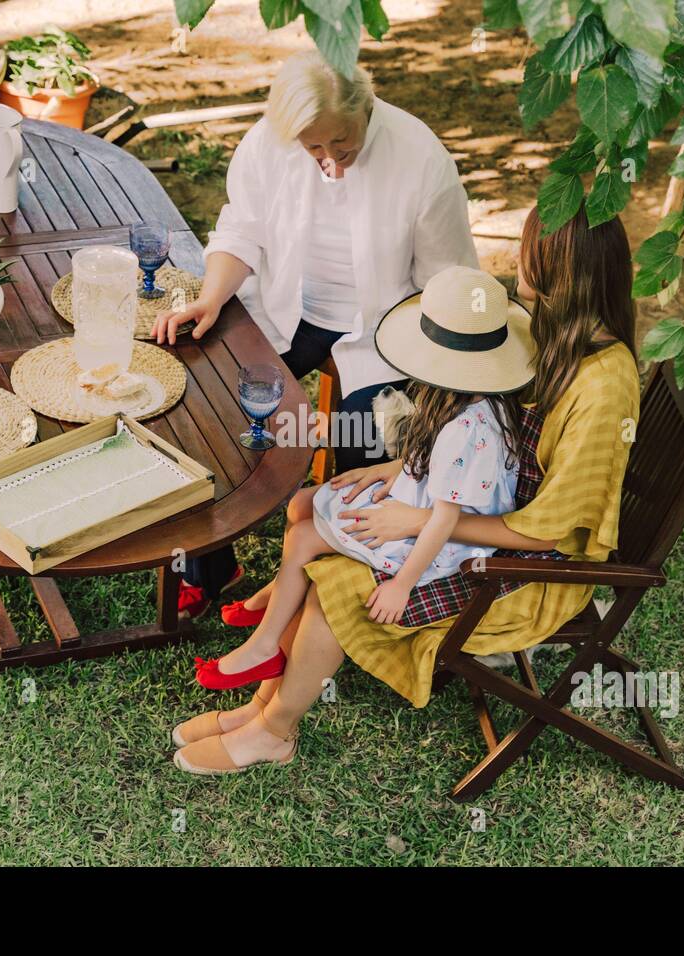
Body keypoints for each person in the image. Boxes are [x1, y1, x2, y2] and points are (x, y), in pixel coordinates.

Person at [168, 206, 641, 776]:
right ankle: (260, 706)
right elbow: (478, 435)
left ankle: (273, 732)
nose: (518, 263)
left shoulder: (604, 385)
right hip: (479, 515)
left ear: (560, 274)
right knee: (327, 540)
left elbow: (548, 528)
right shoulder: (557, 336)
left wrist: (416, 520)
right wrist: (400, 471)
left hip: (531, 567)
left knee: (334, 585)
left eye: (529, 252)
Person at [151, 49, 478, 621]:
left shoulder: (421, 158)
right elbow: (242, 229)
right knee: (214, 399)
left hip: (384, 328)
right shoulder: (269, 140)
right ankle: (211, 566)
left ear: (367, 107)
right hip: (284, 306)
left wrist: (438, 383)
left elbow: (443, 284)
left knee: (363, 436)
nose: (329, 161)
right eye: (314, 149)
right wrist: (211, 296)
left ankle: (325, 590)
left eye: (342, 144)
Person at [190, 266, 532, 695]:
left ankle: (263, 647)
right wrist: (398, 468)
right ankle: (279, 594)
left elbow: (444, 518)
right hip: (418, 497)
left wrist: (402, 586)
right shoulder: (456, 395)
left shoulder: (468, 427)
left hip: (439, 542)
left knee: (303, 539)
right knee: (302, 505)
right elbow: (430, 460)